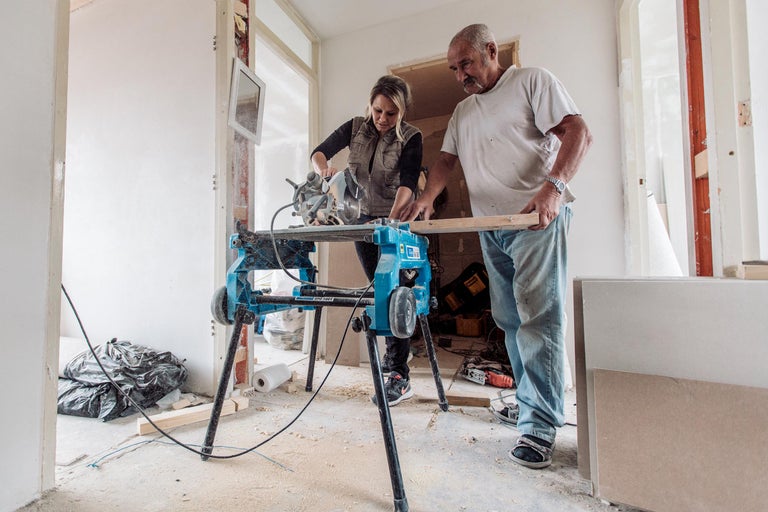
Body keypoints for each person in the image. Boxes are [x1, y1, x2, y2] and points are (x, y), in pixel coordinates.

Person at [401, 24, 592, 468]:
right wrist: (427, 200)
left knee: (539, 317)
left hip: (534, 220)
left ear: (491, 50)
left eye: (465, 63)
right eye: (453, 68)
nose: (459, 75)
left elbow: (578, 132)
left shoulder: (532, 81)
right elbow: (446, 161)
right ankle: (528, 406)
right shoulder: (463, 112)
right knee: (507, 317)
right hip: (492, 226)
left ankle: (541, 425)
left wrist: (554, 187)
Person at [310, 75, 424, 406]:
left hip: (393, 222)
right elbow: (320, 152)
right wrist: (325, 171)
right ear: (370, 105)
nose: (383, 120)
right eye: (378, 111)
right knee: (377, 291)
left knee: (394, 293)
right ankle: (394, 365)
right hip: (361, 221)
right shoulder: (356, 127)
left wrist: (390, 218)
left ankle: (398, 375)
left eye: (391, 114)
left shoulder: (412, 137)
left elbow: (407, 183)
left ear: (402, 112)